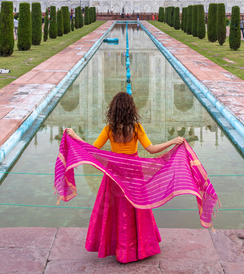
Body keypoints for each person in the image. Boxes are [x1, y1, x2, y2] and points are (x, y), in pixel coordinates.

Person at [65, 92, 184, 263]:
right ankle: (138, 248)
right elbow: (151, 149)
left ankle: (117, 247)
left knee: (115, 210)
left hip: (114, 173)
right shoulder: (136, 128)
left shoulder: (109, 129)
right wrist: (172, 141)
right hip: (133, 172)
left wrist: (75, 136)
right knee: (136, 209)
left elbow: (94, 150)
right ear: (131, 110)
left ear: (113, 110)